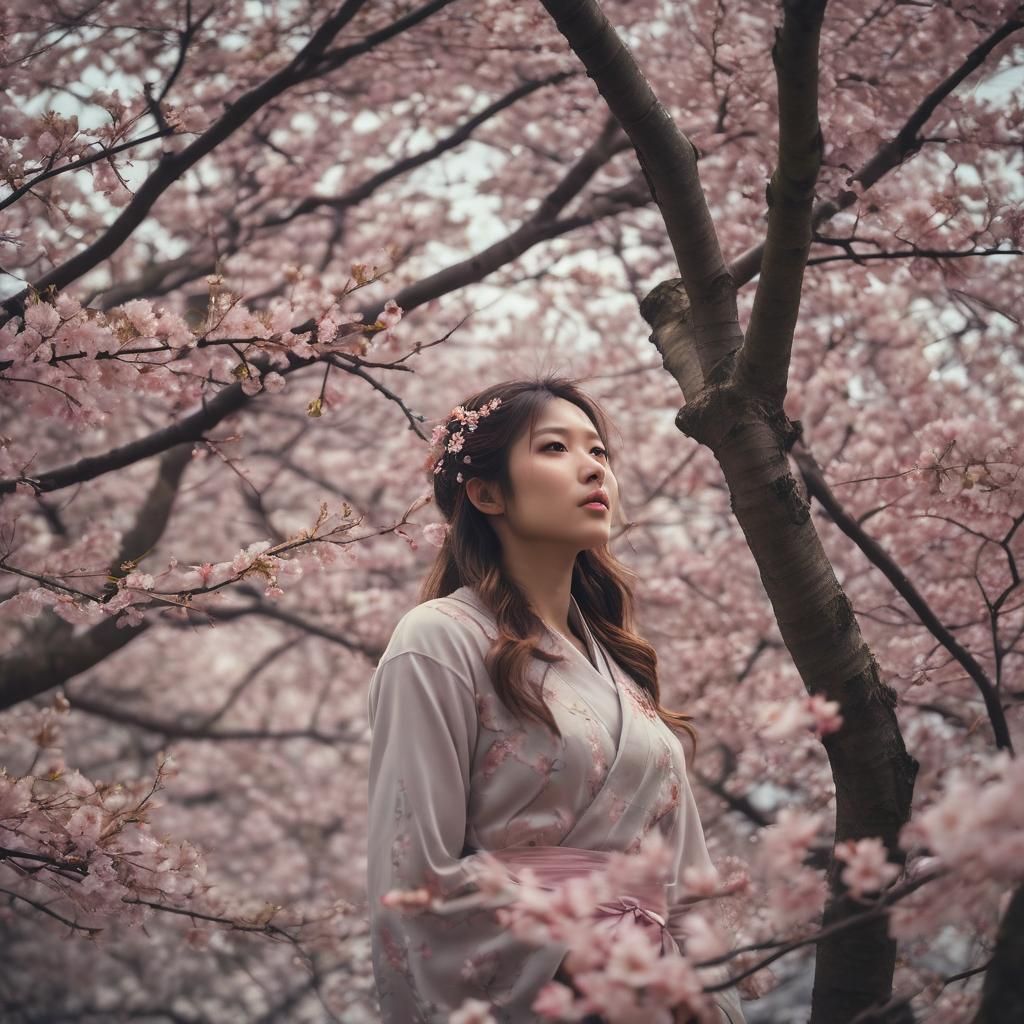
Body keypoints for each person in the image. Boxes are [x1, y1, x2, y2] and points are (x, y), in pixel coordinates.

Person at [366, 376, 747, 1023]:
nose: (592, 468)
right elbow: (415, 875)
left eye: (598, 451)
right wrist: (588, 956)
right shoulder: (437, 642)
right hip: (554, 991)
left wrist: (703, 993)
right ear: (486, 493)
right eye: (555, 448)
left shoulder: (623, 667)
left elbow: (684, 873)